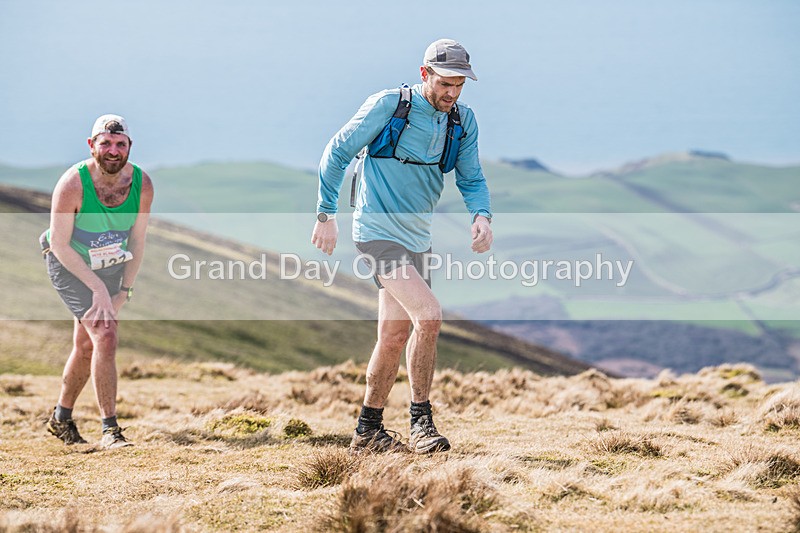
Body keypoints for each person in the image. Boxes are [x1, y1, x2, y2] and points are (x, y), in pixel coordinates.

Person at [312, 39, 493, 453]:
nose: (452, 92)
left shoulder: (462, 121)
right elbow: (337, 151)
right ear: (425, 73)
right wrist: (326, 214)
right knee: (428, 316)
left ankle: (367, 431)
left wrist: (481, 215)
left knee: (394, 335)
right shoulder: (390, 105)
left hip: (417, 237)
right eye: (446, 83)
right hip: (375, 231)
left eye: (460, 85)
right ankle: (421, 423)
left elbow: (471, 176)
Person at [41, 114, 154, 449]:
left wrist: (123, 290)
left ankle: (61, 418)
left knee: (86, 344)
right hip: (69, 263)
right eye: (105, 143)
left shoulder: (142, 185)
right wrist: (97, 290)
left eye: (120, 144)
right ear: (92, 146)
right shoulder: (72, 185)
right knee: (104, 334)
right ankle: (110, 430)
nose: (113, 151)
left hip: (110, 265)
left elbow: (138, 241)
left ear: (130, 146)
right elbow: (59, 244)